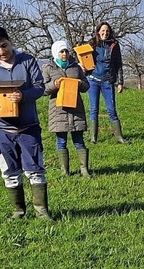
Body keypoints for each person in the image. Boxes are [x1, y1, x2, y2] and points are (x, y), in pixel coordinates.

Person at [0, 26, 52, 220]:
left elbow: (40, 87)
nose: (1, 52)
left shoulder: (28, 61)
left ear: (10, 41)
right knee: (9, 171)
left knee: (35, 169)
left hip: (28, 127)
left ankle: (42, 212)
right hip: (0, 129)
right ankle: (18, 211)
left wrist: (24, 95)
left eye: (4, 46)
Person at [42, 40, 91, 177]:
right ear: (55, 53)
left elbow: (86, 86)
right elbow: (43, 89)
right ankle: (65, 171)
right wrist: (54, 84)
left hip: (76, 108)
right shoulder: (48, 68)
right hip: (58, 110)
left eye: (66, 51)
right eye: (61, 51)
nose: (64, 54)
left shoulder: (76, 67)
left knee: (79, 140)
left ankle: (84, 170)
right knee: (61, 141)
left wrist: (80, 83)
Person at [85, 22, 128, 144]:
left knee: (111, 110)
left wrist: (120, 82)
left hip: (108, 81)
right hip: (93, 80)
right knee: (94, 109)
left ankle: (119, 137)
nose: (105, 33)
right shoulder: (92, 43)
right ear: (98, 31)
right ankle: (93, 137)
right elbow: (84, 58)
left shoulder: (114, 45)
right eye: (102, 31)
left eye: (107, 31)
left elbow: (118, 63)